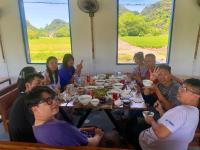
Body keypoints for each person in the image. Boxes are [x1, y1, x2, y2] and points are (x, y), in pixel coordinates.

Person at [26, 86, 104, 146]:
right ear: (34, 109)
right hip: (89, 143)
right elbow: (91, 145)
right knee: (112, 136)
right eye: (48, 100)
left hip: (78, 137)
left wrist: (84, 129)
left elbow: (71, 132)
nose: (55, 102)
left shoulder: (36, 126)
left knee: (93, 127)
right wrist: (98, 135)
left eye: (54, 98)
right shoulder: (60, 128)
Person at [139, 78, 200, 150]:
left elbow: (160, 133)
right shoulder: (195, 111)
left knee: (133, 126)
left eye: (184, 89)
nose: (179, 90)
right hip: (174, 146)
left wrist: (151, 121)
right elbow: (174, 124)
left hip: (152, 145)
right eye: (180, 87)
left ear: (197, 96)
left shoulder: (181, 111)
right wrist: (161, 111)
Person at [9, 73, 44, 142]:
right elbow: (38, 125)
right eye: (38, 83)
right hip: (26, 143)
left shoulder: (25, 97)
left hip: (29, 134)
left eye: (43, 84)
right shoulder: (27, 101)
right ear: (27, 85)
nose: (42, 87)